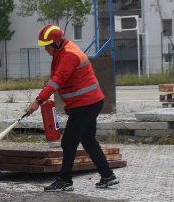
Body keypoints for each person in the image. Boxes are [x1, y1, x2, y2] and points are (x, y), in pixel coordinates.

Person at [25, 24, 118, 192]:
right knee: (88, 140)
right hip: (89, 103)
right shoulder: (63, 51)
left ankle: (65, 180)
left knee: (68, 142)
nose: (45, 49)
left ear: (56, 42)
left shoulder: (69, 54)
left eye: (46, 46)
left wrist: (37, 101)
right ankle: (108, 176)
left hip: (86, 105)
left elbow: (56, 81)